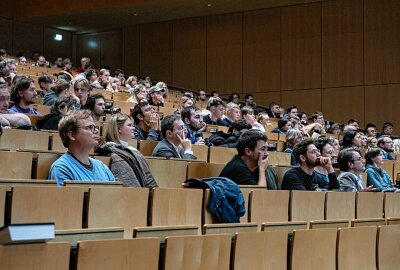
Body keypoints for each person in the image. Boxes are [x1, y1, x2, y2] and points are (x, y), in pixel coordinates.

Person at [49, 110, 115, 186]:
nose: (96, 131)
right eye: (90, 127)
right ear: (72, 135)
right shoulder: (61, 168)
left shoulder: (101, 166)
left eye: (95, 127)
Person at [96, 114, 158, 188]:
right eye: (129, 125)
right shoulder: (113, 152)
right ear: (119, 129)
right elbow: (129, 183)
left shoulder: (132, 150)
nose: (133, 128)